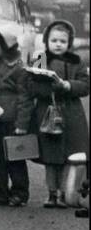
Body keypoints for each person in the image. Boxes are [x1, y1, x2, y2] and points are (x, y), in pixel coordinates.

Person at [26, 19, 89, 208]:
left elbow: (86, 85)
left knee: (68, 156)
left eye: (62, 41)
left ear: (69, 43)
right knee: (50, 157)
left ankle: (65, 192)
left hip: (70, 114)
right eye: (54, 41)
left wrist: (68, 85)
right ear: (47, 41)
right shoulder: (40, 58)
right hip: (47, 112)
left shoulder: (77, 61)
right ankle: (51, 193)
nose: (58, 44)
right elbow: (31, 85)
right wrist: (48, 87)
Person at [0, 28, 34, 207]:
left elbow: (25, 98)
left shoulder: (20, 68)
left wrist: (22, 124)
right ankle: (0, 193)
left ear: (6, 48)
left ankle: (20, 193)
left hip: (12, 119)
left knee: (15, 157)